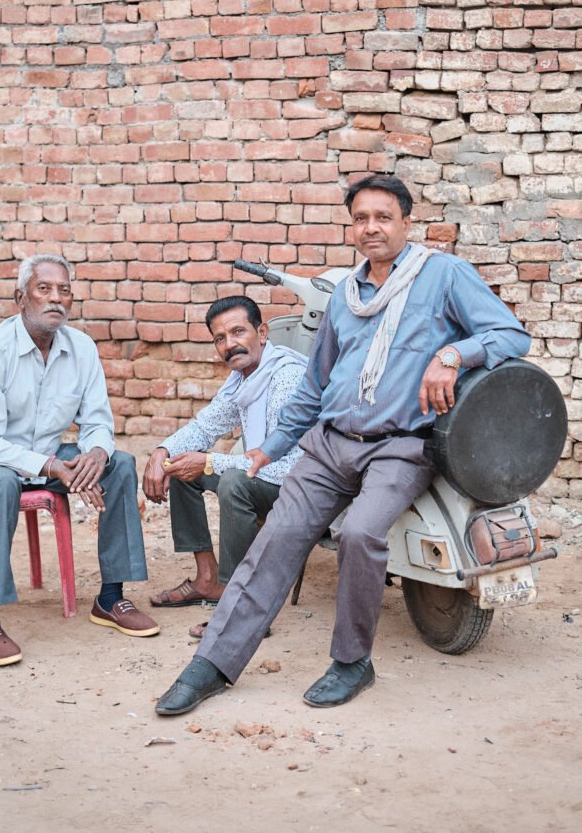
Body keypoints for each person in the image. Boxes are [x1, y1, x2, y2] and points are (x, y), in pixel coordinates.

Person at [155, 175, 531, 715]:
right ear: (351, 227)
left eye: (383, 217)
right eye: (360, 218)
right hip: (330, 444)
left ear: (406, 222)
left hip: (401, 446)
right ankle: (211, 664)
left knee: (359, 533)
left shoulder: (443, 275)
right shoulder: (346, 296)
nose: (371, 227)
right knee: (276, 538)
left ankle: (353, 662)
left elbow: (511, 335)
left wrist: (453, 355)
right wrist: (271, 447)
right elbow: (315, 384)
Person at [0, 254, 159, 667]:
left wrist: (96, 453)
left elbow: (98, 421)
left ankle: (111, 598)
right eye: (44, 289)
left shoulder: (81, 349)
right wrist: (52, 466)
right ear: (20, 297)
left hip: (43, 457)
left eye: (64, 290)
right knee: (1, 480)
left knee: (120, 465)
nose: (56, 298)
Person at [143, 296, 307, 636]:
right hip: (265, 478)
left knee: (233, 481)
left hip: (298, 486)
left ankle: (240, 607)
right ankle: (208, 579)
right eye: (220, 338)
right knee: (183, 467)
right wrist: (163, 451)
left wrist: (208, 461)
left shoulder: (286, 377)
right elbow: (205, 428)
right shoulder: (243, 380)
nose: (230, 344)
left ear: (262, 333)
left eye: (238, 332)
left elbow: (285, 465)